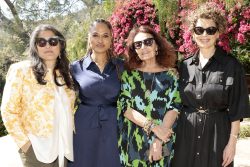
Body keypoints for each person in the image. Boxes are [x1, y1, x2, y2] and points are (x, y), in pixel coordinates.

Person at [172, 3, 250, 167]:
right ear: (193, 33)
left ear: (218, 33)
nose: (204, 34)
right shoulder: (184, 66)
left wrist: (232, 144)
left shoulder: (231, 66)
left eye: (210, 30)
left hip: (217, 135)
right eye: (199, 30)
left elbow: (236, 110)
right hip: (186, 136)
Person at [1, 24, 76, 167]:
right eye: (42, 42)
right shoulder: (21, 70)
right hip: (36, 149)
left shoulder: (66, 75)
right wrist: (25, 144)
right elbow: (8, 110)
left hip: (62, 147)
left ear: (60, 45)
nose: (48, 46)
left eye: (53, 41)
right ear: (35, 47)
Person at [117, 25, 182, 167]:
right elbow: (125, 108)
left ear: (157, 45)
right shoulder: (129, 76)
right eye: (138, 44)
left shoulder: (171, 76)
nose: (143, 47)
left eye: (148, 42)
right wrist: (153, 127)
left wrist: (158, 139)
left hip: (162, 142)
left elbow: (174, 107)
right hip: (133, 143)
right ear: (134, 50)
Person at [68, 18, 123, 167]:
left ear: (111, 38)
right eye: (95, 35)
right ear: (89, 37)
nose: (100, 40)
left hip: (114, 126)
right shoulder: (74, 67)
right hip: (83, 126)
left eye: (105, 36)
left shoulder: (122, 66)